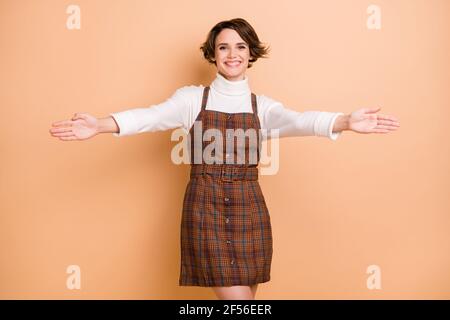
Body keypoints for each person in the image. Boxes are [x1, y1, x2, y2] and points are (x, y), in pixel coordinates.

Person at [49, 18, 400, 300]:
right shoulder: (191, 100)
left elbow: (301, 120)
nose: (232, 54)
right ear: (213, 55)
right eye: (223, 47)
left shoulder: (262, 107)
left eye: (240, 47)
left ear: (251, 54)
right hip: (205, 206)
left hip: (250, 206)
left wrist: (346, 122)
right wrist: (99, 125)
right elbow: (149, 116)